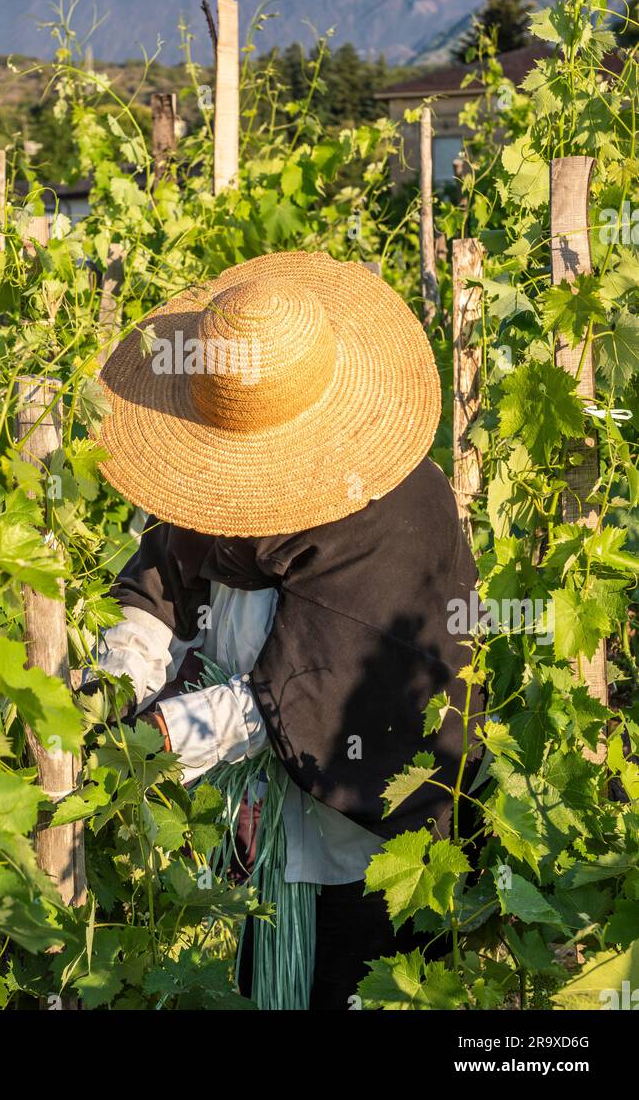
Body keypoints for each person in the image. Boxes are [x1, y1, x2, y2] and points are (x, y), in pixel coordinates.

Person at [93, 250, 480, 1009]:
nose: (229, 485)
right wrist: (111, 683)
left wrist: (163, 734)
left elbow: (315, 688)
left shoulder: (391, 517)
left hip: (366, 838)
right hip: (253, 826)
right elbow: (159, 588)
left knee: (342, 985)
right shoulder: (208, 493)